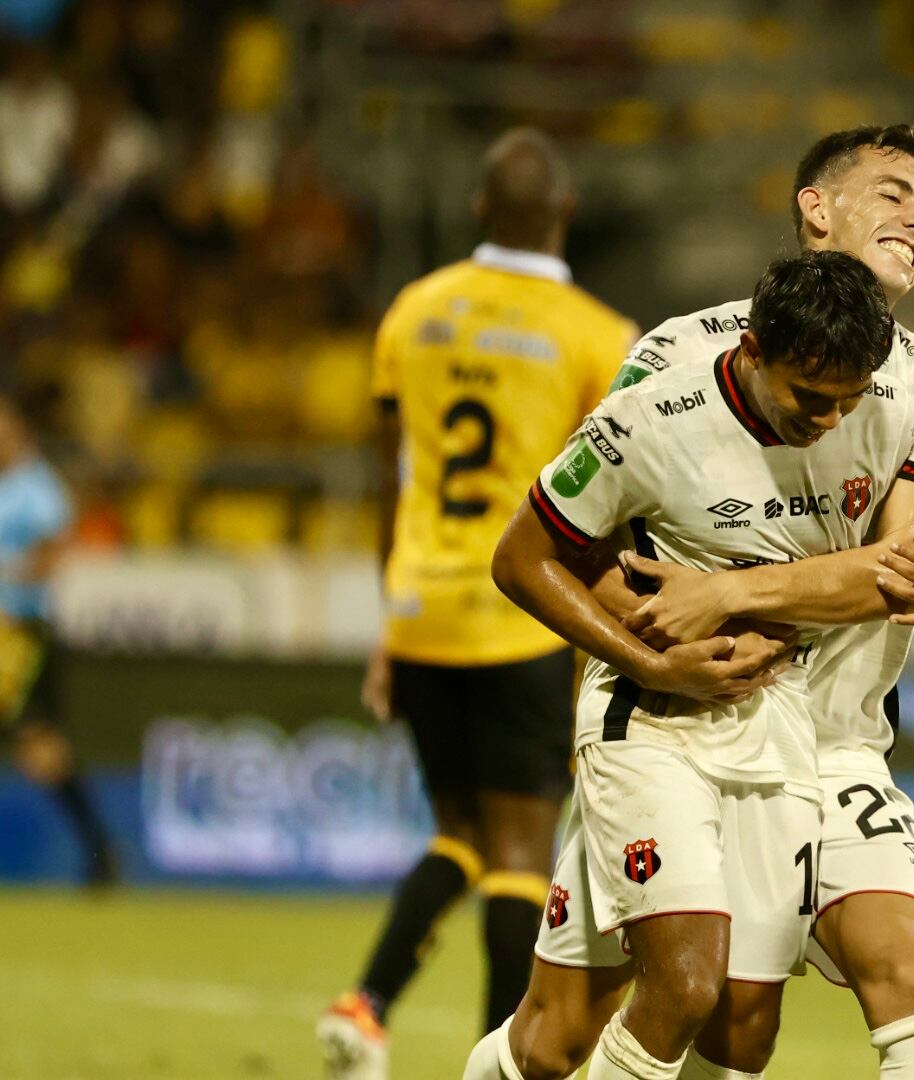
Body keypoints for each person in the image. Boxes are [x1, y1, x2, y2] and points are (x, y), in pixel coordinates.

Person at [480, 124, 914, 1080]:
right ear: (817, 208)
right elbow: (585, 538)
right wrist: (646, 654)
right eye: (893, 193)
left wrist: (721, 594)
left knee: (856, 985)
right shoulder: (676, 357)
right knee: (563, 1032)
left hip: (833, 739)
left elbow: (900, 566)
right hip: (673, 718)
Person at [318, 127, 639, 1080]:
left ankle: (364, 1006)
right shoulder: (597, 334)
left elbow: (393, 481)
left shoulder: (412, 312)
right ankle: (502, 1056)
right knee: (518, 844)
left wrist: (389, 619)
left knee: (456, 831)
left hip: (422, 607)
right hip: (524, 611)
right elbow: (610, 503)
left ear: (476, 211)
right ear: (564, 215)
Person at [0, 393, 116, 887]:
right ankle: (101, 852)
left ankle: (101, 850)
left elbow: (53, 556)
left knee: (39, 747)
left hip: (20, 632)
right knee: (40, 747)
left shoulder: (37, 487)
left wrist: (9, 578)